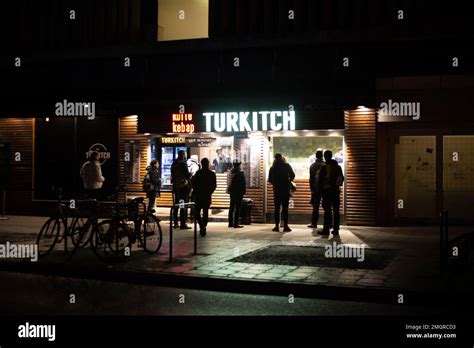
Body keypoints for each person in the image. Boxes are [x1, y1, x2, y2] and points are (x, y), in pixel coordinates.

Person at [318, 150, 344, 236]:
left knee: (327, 212)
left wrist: (321, 190)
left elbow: (320, 181)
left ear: (325, 156)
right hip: (335, 192)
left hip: (326, 192)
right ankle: (336, 230)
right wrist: (336, 185)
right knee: (336, 211)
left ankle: (326, 230)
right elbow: (341, 179)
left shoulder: (324, 167)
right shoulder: (338, 167)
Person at [268, 153, 295, 232]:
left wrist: (276, 184)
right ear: (281, 158)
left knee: (277, 209)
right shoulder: (286, 166)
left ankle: (276, 226)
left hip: (276, 191)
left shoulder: (272, 168)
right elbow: (293, 175)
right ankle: (285, 226)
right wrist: (288, 181)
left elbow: (270, 180)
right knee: (285, 209)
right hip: (285, 190)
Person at [191, 158, 217, 236]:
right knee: (205, 212)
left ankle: (202, 226)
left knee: (197, 212)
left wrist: (196, 191)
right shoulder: (212, 173)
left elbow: (194, 184)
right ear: (208, 164)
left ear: (201, 164)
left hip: (199, 195)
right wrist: (210, 192)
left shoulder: (198, 173)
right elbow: (214, 185)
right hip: (207, 196)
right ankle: (203, 226)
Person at [171, 150, 191, 229]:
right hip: (183, 187)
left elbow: (172, 172)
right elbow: (187, 174)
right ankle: (183, 223)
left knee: (176, 204)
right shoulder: (183, 163)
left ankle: (175, 223)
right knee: (183, 205)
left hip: (176, 187)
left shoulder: (174, 163)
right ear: (183, 155)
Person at [308, 149, 325, 229]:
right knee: (327, 207)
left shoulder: (312, 166)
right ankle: (328, 224)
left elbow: (311, 179)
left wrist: (311, 189)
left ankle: (314, 223)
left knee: (315, 207)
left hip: (315, 188)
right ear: (322, 156)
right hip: (325, 188)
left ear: (316, 156)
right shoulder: (325, 165)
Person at [227, 160, 246, 228]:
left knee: (231, 207)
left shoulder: (230, 172)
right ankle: (236, 223)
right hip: (239, 192)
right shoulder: (240, 173)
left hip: (232, 192)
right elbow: (243, 184)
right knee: (237, 208)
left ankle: (230, 223)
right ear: (239, 165)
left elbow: (228, 183)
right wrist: (244, 191)